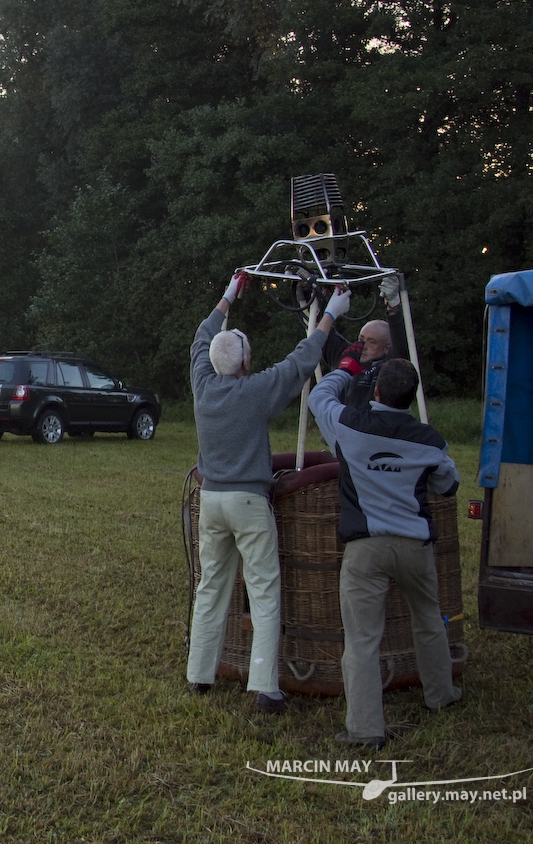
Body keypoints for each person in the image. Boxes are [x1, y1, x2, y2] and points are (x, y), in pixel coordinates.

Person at [186, 272, 350, 713]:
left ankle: (198, 674)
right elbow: (301, 362)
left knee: (210, 588)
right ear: (242, 364)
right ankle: (264, 686)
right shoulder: (254, 391)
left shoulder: (202, 385)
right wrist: (331, 314)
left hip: (212, 502)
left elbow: (201, 338)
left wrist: (227, 297)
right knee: (263, 591)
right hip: (248, 503)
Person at [309, 357, 462, 749]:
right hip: (414, 546)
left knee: (361, 639)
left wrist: (349, 366)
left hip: (365, 549)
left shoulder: (348, 426)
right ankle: (441, 696)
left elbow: (319, 395)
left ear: (375, 392)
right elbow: (447, 484)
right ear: (411, 398)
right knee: (428, 620)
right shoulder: (429, 440)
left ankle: (365, 729)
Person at [320, 275, 412, 410]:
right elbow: (321, 331)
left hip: (372, 427)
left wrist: (393, 308)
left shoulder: (390, 368)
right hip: (340, 427)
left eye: (372, 342)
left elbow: (401, 345)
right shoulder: (345, 355)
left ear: (386, 348)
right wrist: (310, 292)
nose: (363, 346)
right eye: (361, 339)